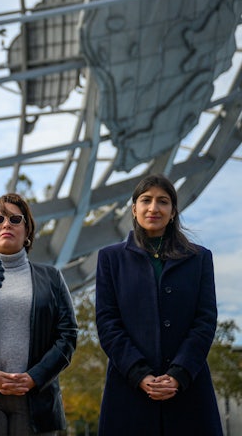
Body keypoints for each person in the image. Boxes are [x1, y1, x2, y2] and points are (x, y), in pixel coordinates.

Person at [95, 174, 222, 435]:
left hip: (189, 391)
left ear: (173, 211)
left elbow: (205, 321)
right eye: (146, 200)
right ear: (134, 209)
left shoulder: (199, 259)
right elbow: (108, 323)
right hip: (129, 391)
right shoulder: (110, 258)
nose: (154, 208)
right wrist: (140, 375)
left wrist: (178, 374)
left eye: (163, 202)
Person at [0, 193, 77, 436]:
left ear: (27, 233)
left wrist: (35, 377)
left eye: (16, 219)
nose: (6, 224)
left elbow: (67, 335)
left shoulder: (52, 278)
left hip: (37, 400)